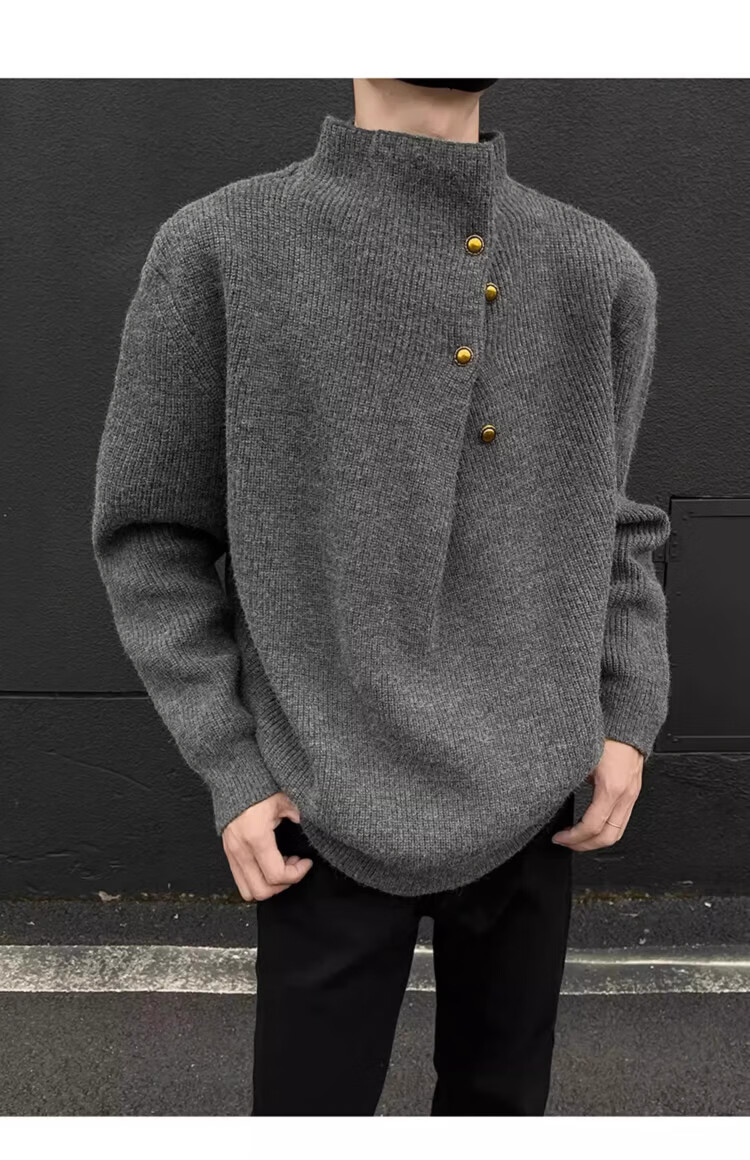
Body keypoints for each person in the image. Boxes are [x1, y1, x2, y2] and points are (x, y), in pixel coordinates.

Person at [91, 78, 671, 1115]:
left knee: (502, 1110)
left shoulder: (599, 268)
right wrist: (231, 764)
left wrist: (627, 715)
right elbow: (152, 535)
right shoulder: (223, 247)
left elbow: (612, 517)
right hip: (319, 797)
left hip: (536, 793)